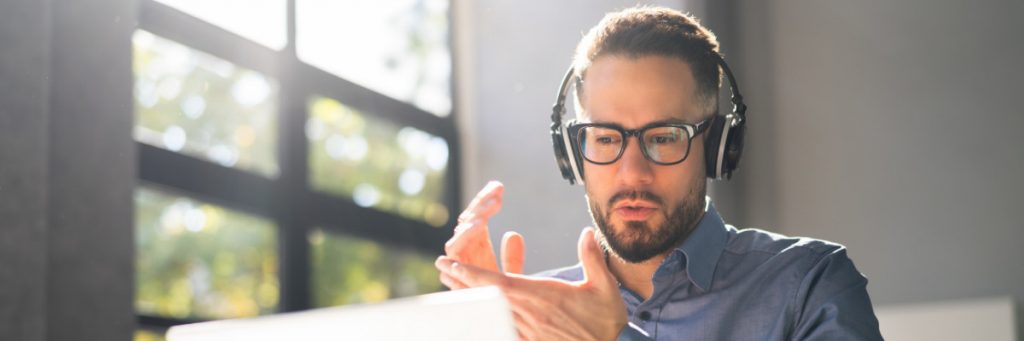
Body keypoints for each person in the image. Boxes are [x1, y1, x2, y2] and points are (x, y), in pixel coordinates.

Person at [435, 6, 882, 340]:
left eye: (664, 137)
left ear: (717, 147)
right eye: (605, 138)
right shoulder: (536, 318)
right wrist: (482, 326)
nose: (633, 173)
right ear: (572, 153)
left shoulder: (810, 283)